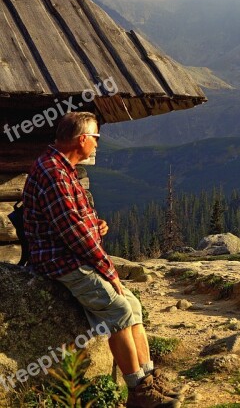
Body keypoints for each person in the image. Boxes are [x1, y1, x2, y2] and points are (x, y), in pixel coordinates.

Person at [22, 112, 182, 408]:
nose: (98, 144)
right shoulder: (54, 173)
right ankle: (138, 391)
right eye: (96, 138)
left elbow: (78, 222)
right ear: (82, 139)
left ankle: (149, 380)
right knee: (120, 308)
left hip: (72, 254)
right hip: (60, 260)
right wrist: (109, 271)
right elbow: (73, 233)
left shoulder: (63, 167)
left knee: (133, 306)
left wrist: (96, 225)